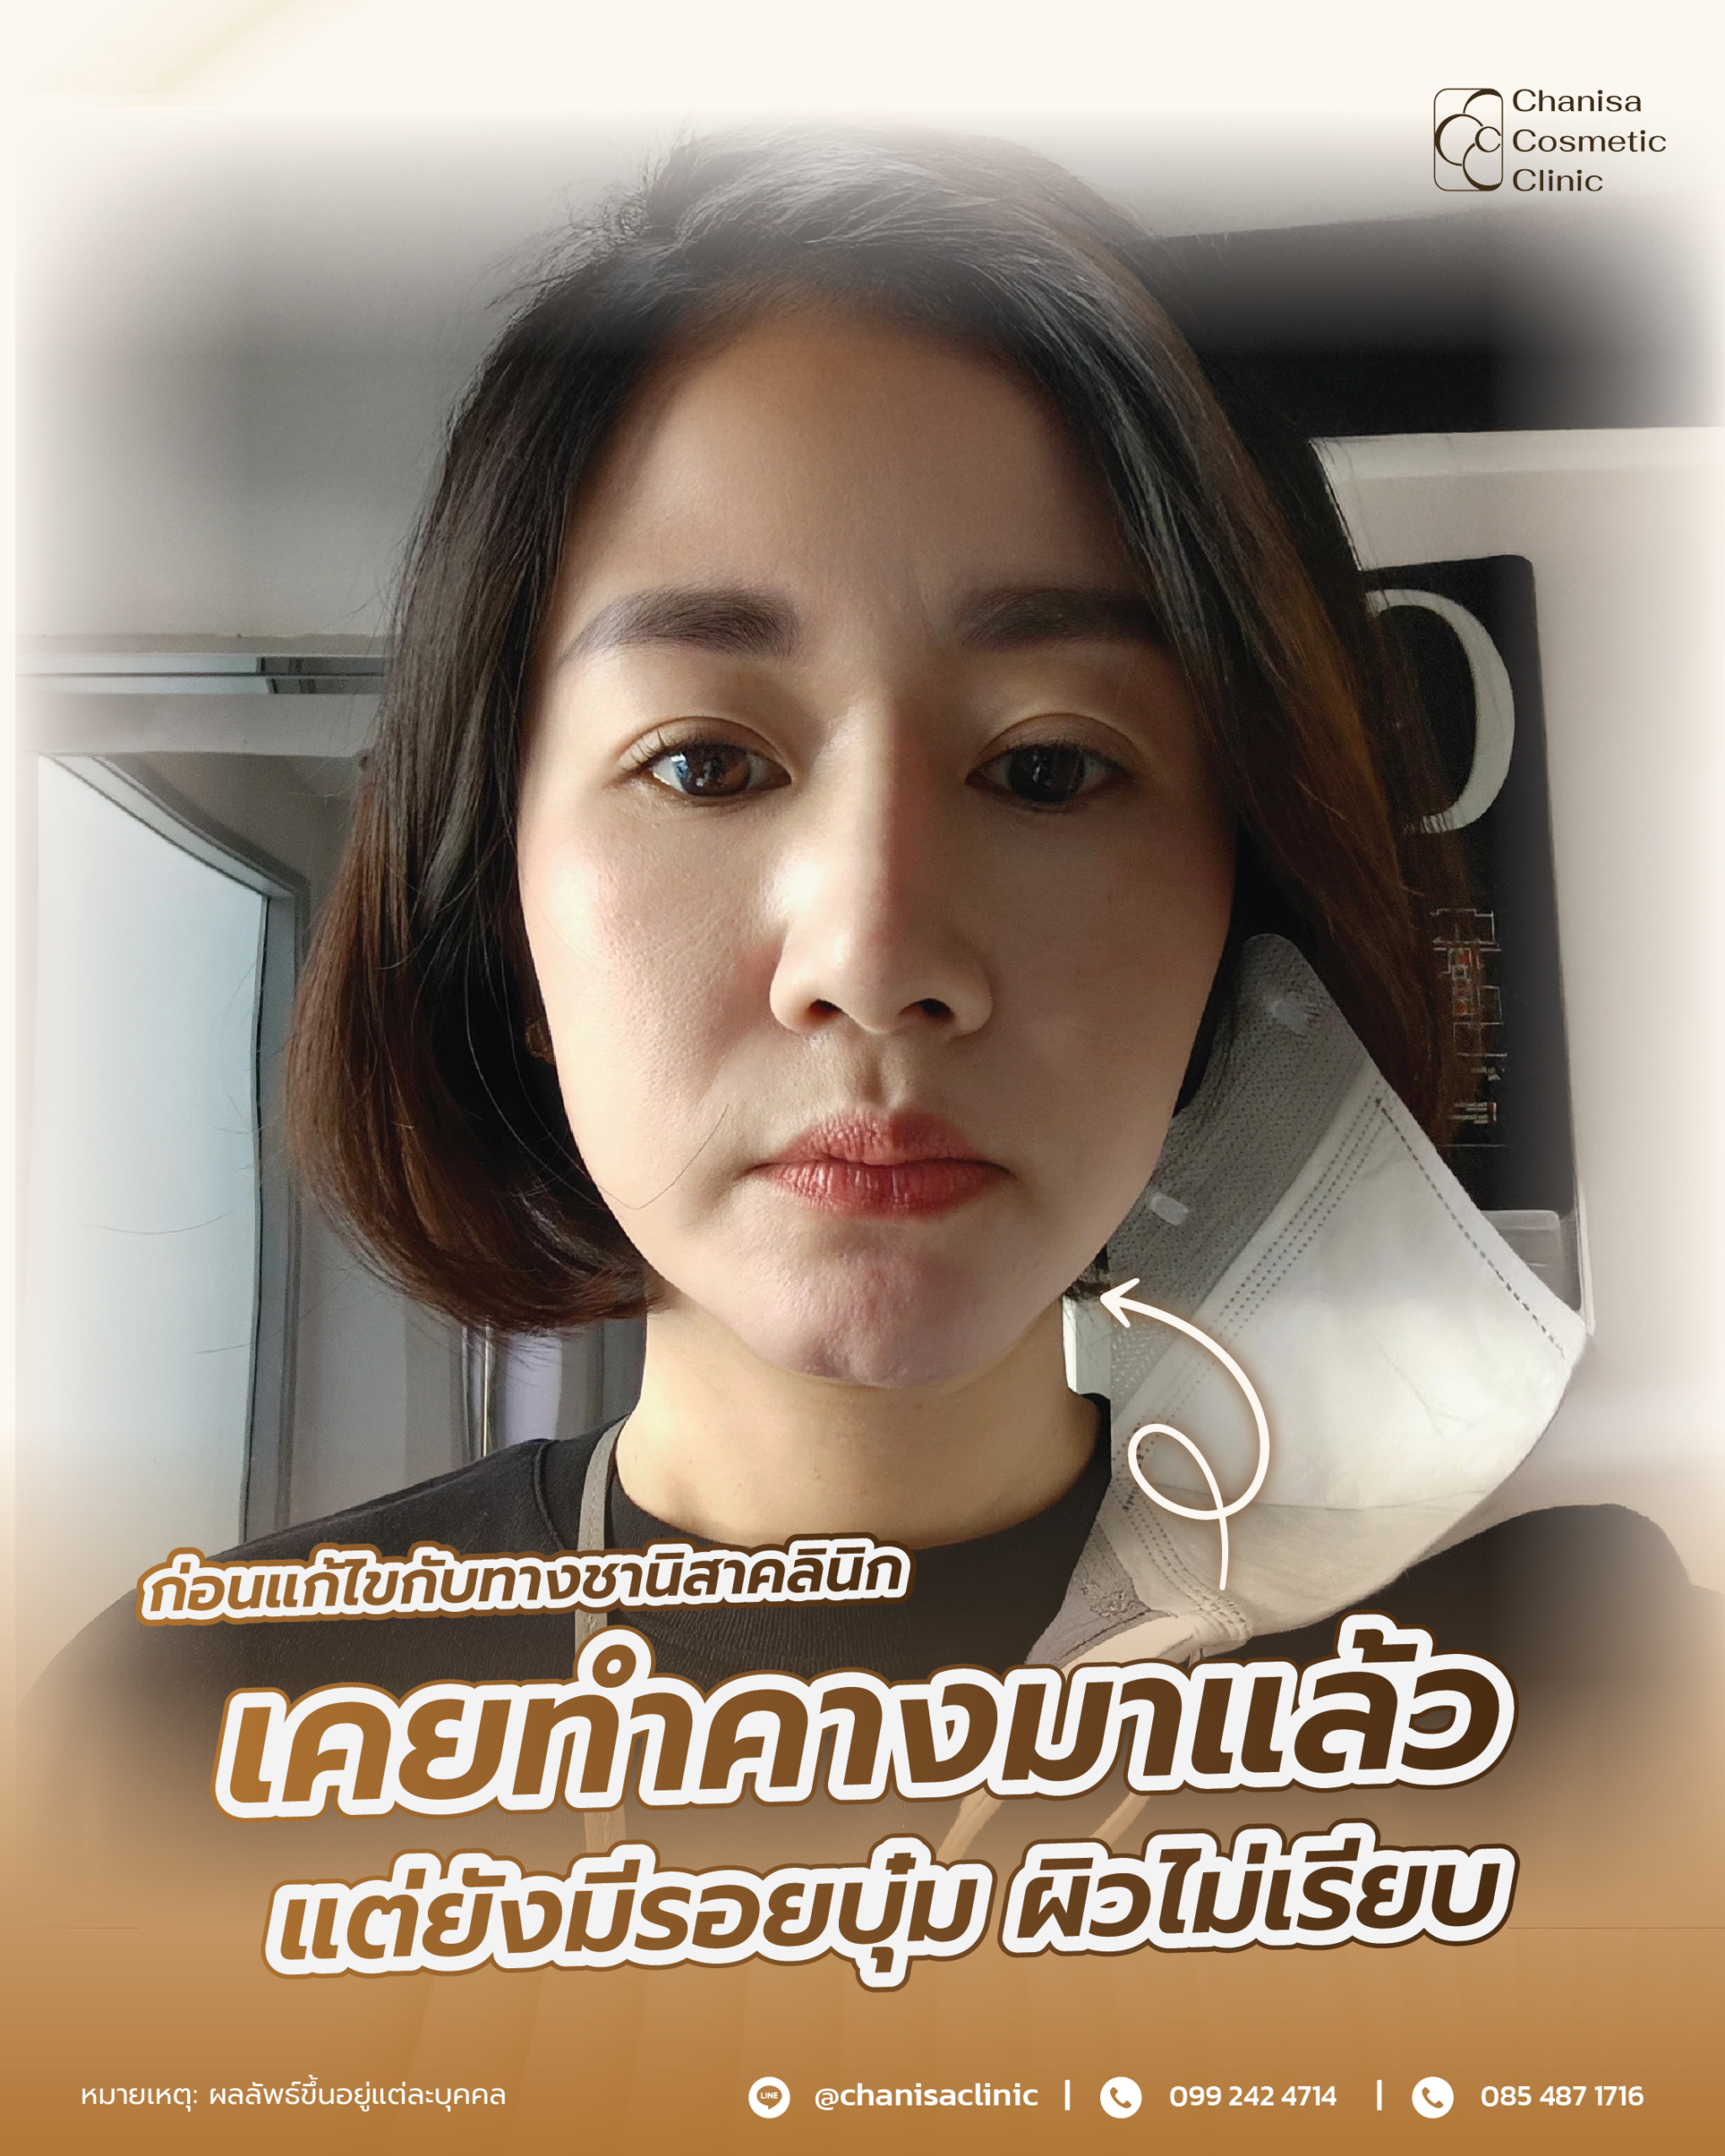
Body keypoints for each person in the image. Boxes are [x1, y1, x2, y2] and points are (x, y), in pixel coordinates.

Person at [34, 131, 1706, 1786]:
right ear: (502, 912)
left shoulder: (1599, 1725)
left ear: (1240, 921)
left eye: (1047, 768)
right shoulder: (175, 1743)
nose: (875, 955)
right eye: (706, 763)